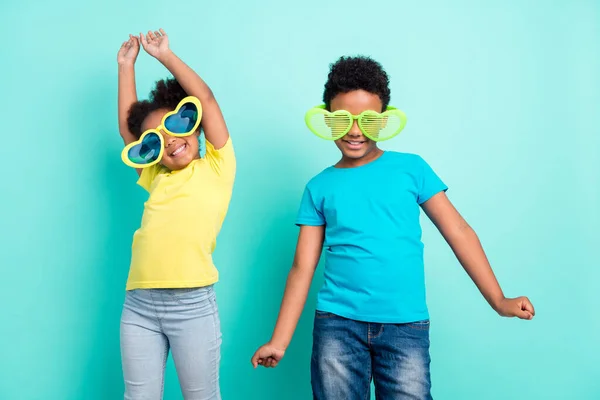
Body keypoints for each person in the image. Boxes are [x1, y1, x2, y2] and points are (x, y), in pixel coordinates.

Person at [251, 56, 535, 400]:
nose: (355, 130)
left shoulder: (411, 169)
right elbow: (302, 267)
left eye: (367, 120)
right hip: (337, 325)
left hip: (406, 326)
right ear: (327, 118)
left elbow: (458, 232)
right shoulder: (318, 187)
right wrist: (279, 340)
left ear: (384, 121)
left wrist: (499, 300)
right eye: (343, 119)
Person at [116, 29, 235, 400]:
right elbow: (127, 131)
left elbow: (207, 100)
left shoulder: (217, 165)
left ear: (194, 125)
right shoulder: (154, 175)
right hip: (139, 305)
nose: (170, 139)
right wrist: (125, 68)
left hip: (193, 306)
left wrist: (165, 55)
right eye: (156, 139)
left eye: (177, 125)